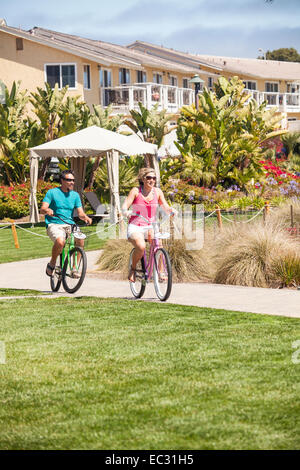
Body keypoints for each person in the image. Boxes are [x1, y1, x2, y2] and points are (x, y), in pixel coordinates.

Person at [122, 167, 176, 282]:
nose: (152, 180)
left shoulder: (157, 192)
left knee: (159, 244)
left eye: (154, 178)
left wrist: (171, 211)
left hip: (151, 226)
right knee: (141, 247)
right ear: (143, 179)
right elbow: (125, 205)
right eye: (149, 177)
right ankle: (132, 269)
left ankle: (161, 272)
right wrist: (126, 212)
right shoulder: (136, 191)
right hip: (136, 226)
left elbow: (165, 206)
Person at [40, 170, 92, 277]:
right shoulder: (52, 193)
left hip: (70, 224)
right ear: (62, 181)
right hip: (54, 224)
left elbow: (80, 213)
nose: (72, 182)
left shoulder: (75, 195)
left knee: (81, 239)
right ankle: (53, 263)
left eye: (73, 180)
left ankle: (74, 268)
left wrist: (85, 217)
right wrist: (47, 210)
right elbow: (42, 208)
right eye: (69, 180)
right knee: (60, 242)